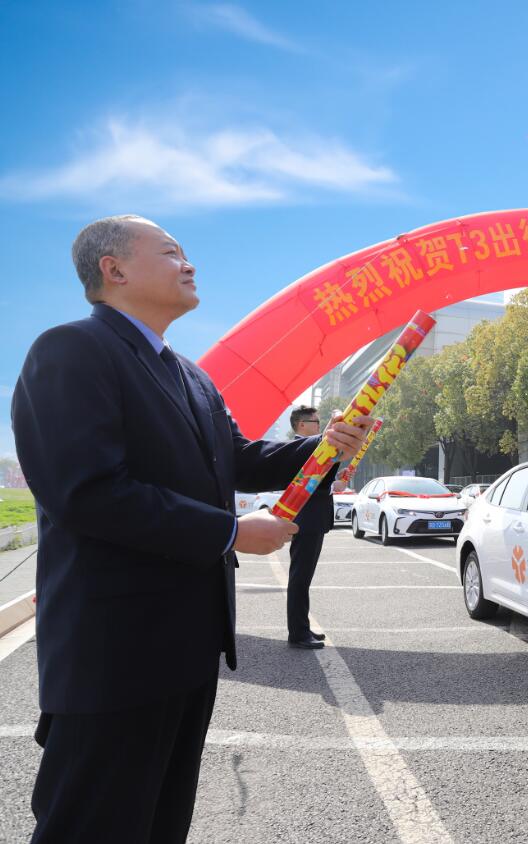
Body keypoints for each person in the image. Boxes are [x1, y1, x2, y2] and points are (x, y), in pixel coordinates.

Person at [11, 215, 371, 844]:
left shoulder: (191, 375)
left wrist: (325, 447)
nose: (190, 264)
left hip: (188, 652)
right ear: (114, 270)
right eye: (171, 252)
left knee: (160, 823)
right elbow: (88, 494)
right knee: (91, 826)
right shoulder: (71, 351)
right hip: (114, 658)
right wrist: (229, 533)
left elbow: (239, 460)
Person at [285, 405, 337, 649]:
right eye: (316, 422)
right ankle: (298, 633)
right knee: (300, 578)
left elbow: (322, 480)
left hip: (313, 520)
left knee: (303, 579)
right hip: (305, 521)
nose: (319, 425)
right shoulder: (299, 449)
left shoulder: (313, 448)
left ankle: (302, 627)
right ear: (302, 425)